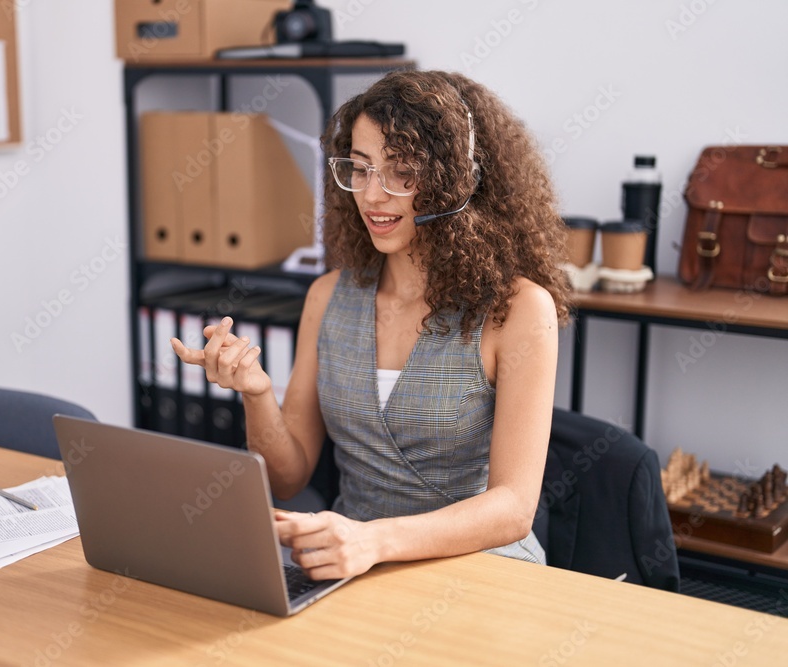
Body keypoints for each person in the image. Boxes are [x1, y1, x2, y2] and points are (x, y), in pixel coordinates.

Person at [171, 69, 572, 581]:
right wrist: (256, 393)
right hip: (349, 565)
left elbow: (514, 508)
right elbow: (287, 477)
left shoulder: (517, 311)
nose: (373, 195)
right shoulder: (328, 297)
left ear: (460, 182)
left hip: (476, 570)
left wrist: (374, 539)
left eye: (402, 172)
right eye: (360, 169)